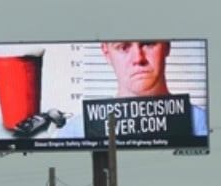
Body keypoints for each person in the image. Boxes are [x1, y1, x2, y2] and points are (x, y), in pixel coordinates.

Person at [56, 40, 208, 137]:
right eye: (123, 47)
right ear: (106, 52)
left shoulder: (204, 125)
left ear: (167, 45)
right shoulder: (74, 133)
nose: (138, 58)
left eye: (148, 43)